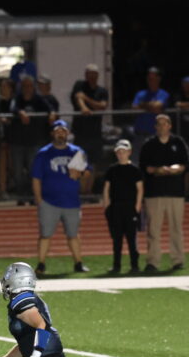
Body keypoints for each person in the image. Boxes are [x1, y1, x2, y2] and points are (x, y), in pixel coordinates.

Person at [31, 120, 93, 275]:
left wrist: (80, 173)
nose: (60, 134)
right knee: (45, 235)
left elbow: (88, 172)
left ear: (68, 133)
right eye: (58, 131)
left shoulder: (76, 151)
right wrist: (39, 199)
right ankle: (41, 264)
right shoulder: (44, 153)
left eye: (63, 131)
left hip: (72, 201)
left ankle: (78, 263)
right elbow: (36, 178)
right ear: (52, 133)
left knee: (73, 234)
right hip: (49, 201)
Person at [139, 114, 189, 272]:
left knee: (176, 228)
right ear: (155, 127)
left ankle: (178, 260)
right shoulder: (149, 144)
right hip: (154, 192)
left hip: (175, 192)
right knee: (153, 229)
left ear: (170, 125)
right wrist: (157, 170)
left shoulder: (178, 142)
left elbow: (187, 163)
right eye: (159, 124)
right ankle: (153, 261)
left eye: (164, 124)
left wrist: (177, 169)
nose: (162, 127)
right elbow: (144, 166)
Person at [102, 140, 143, 273]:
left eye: (123, 152)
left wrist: (137, 206)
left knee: (132, 238)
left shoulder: (135, 170)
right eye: (119, 152)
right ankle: (116, 266)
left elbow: (140, 189)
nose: (121, 154)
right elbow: (107, 188)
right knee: (117, 239)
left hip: (130, 207)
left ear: (129, 152)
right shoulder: (112, 170)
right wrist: (107, 205)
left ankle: (134, 266)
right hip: (115, 207)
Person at [8, 75, 51, 204]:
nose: (27, 89)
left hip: (34, 141)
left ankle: (33, 196)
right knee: (18, 171)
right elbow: (12, 108)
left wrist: (52, 114)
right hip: (18, 142)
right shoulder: (17, 99)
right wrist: (20, 112)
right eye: (25, 86)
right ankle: (21, 196)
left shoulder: (38, 99)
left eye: (30, 86)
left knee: (33, 170)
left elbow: (50, 109)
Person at [70, 64, 109, 168]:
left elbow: (102, 106)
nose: (92, 76)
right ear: (86, 75)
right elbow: (78, 97)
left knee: (93, 163)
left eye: (94, 74)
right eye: (89, 74)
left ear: (97, 75)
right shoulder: (79, 85)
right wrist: (84, 108)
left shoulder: (102, 91)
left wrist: (86, 99)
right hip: (80, 133)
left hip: (95, 133)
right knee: (78, 163)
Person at [132, 67, 169, 156]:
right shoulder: (140, 94)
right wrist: (151, 106)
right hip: (140, 135)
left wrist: (142, 105)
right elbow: (134, 107)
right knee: (138, 160)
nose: (150, 81)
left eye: (153, 78)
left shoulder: (163, 94)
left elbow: (157, 106)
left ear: (158, 79)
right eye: (149, 78)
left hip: (156, 135)